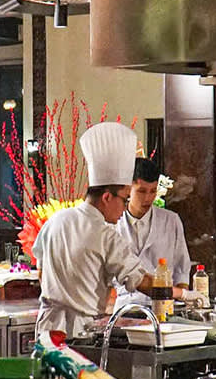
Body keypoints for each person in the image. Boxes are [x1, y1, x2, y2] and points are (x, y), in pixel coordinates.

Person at [34, 122, 161, 338]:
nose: (125, 208)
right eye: (125, 199)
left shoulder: (55, 220)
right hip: (82, 330)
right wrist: (184, 294)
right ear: (107, 197)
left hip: (47, 326)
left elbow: (40, 272)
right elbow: (141, 282)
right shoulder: (105, 234)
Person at [117, 156, 191, 300]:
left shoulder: (171, 220)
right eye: (141, 191)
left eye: (153, 191)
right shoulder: (113, 224)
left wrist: (184, 298)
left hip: (164, 301)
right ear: (128, 189)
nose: (148, 198)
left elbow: (181, 269)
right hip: (124, 303)